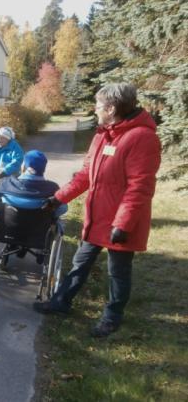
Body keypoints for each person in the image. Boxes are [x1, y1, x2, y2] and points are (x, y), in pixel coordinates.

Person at [33, 83, 162, 338]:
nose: (96, 109)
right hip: (97, 218)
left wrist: (123, 224)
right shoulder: (103, 135)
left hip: (120, 224)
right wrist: (57, 198)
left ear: (112, 108)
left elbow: (140, 187)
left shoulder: (142, 138)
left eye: (99, 105)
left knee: (118, 272)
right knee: (79, 263)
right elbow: (85, 176)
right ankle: (61, 302)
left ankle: (112, 317)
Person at [0, 150, 68, 218]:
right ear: (43, 169)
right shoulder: (53, 188)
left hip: (7, 228)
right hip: (38, 230)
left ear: (24, 167)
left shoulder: (8, 183)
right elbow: (63, 208)